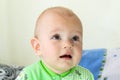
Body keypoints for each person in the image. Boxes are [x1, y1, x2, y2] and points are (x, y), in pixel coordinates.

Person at [15, 6, 94, 80]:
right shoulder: (28, 75)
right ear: (38, 47)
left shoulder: (85, 76)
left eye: (75, 38)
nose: (68, 44)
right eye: (56, 37)